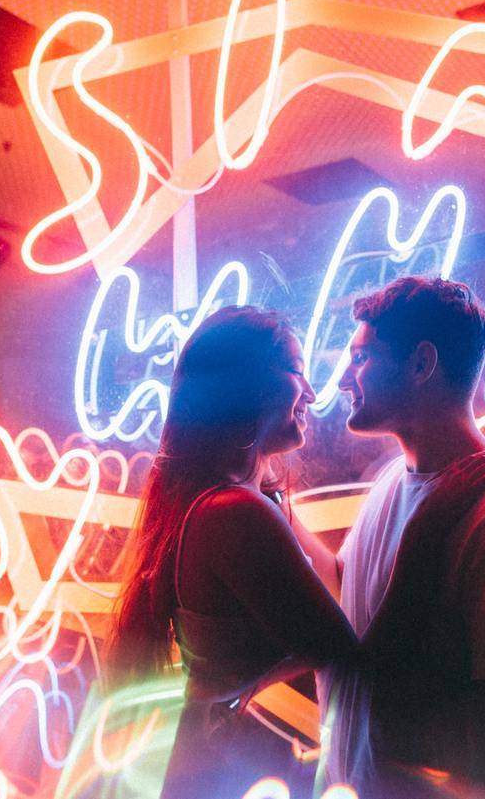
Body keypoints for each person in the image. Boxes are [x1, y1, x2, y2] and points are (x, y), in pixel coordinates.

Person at [314, 277, 485, 798]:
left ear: (421, 364)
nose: (345, 378)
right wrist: (262, 489)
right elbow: (346, 589)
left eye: (361, 357)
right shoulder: (393, 483)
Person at [106, 306, 357, 799]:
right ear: (249, 387)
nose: (309, 392)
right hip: (243, 764)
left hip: (225, 759)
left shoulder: (229, 500)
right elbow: (339, 647)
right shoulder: (233, 512)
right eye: (297, 373)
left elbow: (336, 582)